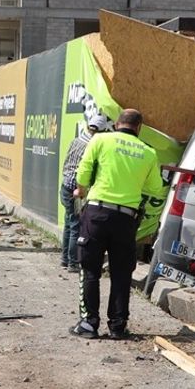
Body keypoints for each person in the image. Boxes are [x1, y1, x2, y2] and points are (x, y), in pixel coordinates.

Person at [70, 108, 162, 340]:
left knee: (90, 269)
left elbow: (83, 173)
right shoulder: (148, 152)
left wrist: (81, 190)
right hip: (126, 219)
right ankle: (118, 326)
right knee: (121, 274)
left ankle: (89, 324)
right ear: (139, 128)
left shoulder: (101, 140)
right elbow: (154, 187)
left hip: (97, 214)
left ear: (117, 123)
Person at [60, 114, 110, 272]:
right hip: (77, 190)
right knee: (76, 226)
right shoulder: (92, 146)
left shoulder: (76, 140)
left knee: (69, 224)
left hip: (66, 186)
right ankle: (73, 262)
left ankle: (65, 259)